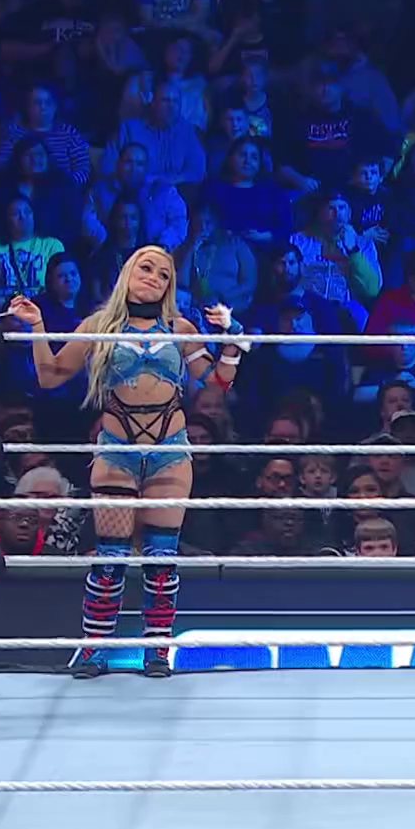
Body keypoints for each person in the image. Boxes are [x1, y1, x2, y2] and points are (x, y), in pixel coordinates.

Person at [14, 246, 247, 677]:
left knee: (161, 557)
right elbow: (50, 375)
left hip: (168, 451)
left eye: (164, 274)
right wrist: (37, 326)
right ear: (127, 272)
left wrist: (232, 336)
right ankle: (94, 649)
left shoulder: (179, 329)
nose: (154, 277)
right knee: (110, 557)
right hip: (117, 449)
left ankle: (157, 650)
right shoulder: (99, 326)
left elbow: (217, 381)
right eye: (147, 268)